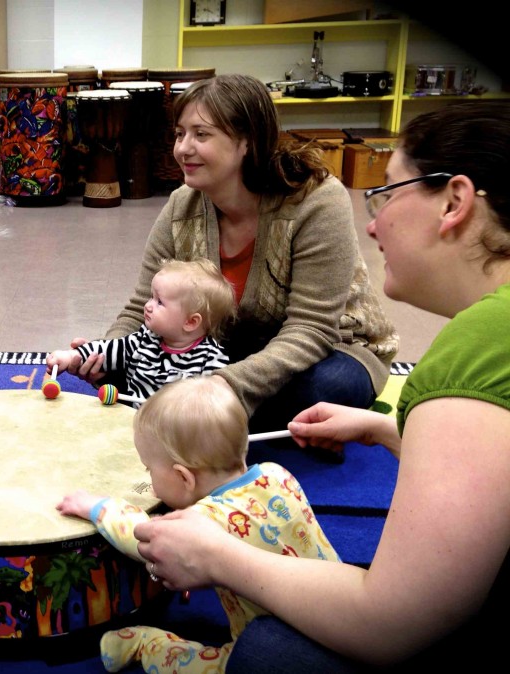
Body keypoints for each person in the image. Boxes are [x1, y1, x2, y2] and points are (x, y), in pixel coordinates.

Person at [135, 101, 510, 672]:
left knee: (267, 650)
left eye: (386, 193)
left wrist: (217, 554)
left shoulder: (478, 348)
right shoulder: (184, 208)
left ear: (455, 202)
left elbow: (389, 625)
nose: (373, 223)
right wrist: (386, 428)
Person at [64, 74, 398, 438]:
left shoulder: (316, 201)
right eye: (180, 134)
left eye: (201, 135)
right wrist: (108, 352)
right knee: (122, 368)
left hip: (329, 349)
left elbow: (311, 328)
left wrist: (224, 385)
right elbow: (143, 305)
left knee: (320, 391)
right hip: (223, 350)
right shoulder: (181, 205)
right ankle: (207, 419)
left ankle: (198, 416)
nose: (183, 149)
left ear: (247, 142)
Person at [56, 375, 340, 673]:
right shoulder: (277, 473)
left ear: (184, 478)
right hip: (338, 615)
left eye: (149, 469)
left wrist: (97, 507)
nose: (148, 477)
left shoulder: (206, 522)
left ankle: (146, 644)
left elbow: (144, 538)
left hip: (284, 641)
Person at [46, 258, 233, 407]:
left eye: (159, 302)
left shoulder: (211, 360)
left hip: (177, 438)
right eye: (151, 297)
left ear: (191, 322)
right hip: (134, 423)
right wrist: (72, 356)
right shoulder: (146, 338)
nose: (148, 305)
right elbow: (109, 348)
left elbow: (215, 407)